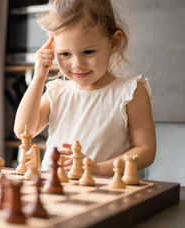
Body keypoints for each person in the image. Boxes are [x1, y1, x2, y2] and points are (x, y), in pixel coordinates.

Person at [14, 0, 156, 176]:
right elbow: (23, 131)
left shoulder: (130, 92)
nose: (77, 65)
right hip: (54, 189)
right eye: (65, 54)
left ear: (113, 43)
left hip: (102, 192)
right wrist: (38, 77)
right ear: (52, 48)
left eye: (88, 52)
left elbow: (146, 151)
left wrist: (95, 168)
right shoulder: (56, 91)